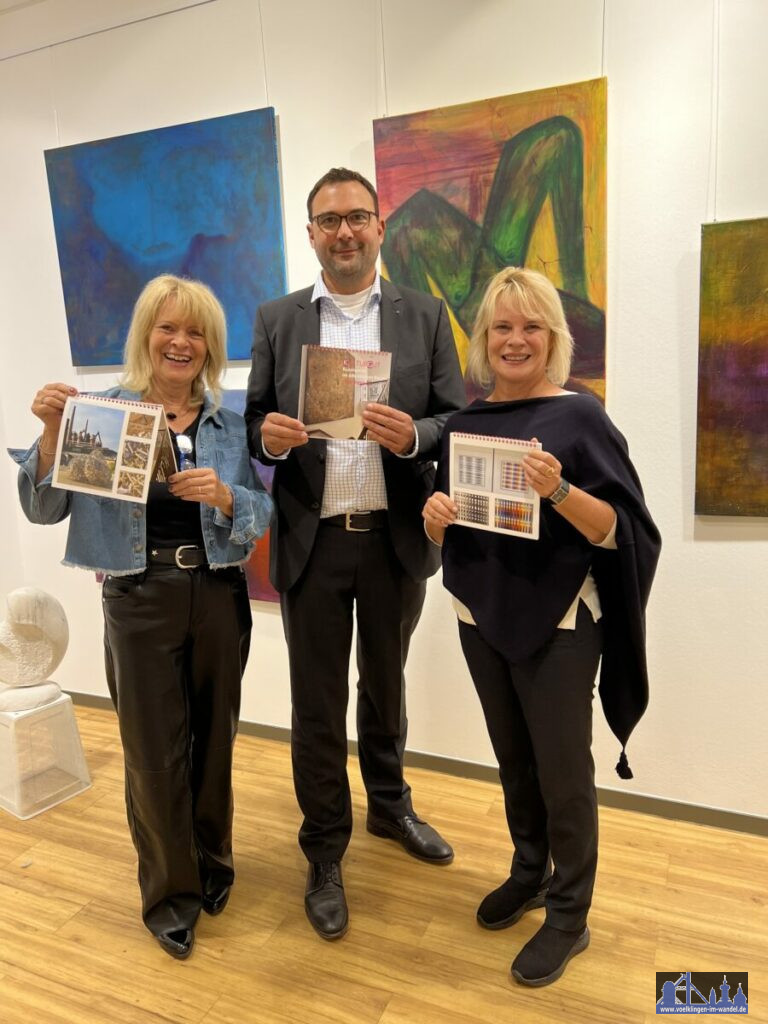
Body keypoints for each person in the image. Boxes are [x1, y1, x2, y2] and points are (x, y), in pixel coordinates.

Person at [10, 275, 272, 960]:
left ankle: (214, 864)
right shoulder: (100, 414)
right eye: (167, 328)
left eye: (195, 333)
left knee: (215, 742)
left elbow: (261, 513)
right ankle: (170, 893)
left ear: (210, 348)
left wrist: (225, 499)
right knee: (153, 758)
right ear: (146, 337)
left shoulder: (227, 422)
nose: (180, 342)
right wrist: (47, 432)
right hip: (138, 597)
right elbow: (42, 510)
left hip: (218, 595)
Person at [245, 167, 466, 940]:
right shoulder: (277, 320)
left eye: (358, 218)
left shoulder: (425, 316)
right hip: (312, 540)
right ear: (311, 234)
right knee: (316, 704)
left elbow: (455, 416)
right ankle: (324, 850)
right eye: (328, 220)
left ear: (380, 228)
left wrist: (418, 435)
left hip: (393, 538)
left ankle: (389, 808)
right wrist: (266, 435)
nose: (344, 231)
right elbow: (254, 425)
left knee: (386, 689)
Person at [423, 267, 660, 986]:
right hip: (479, 615)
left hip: (560, 622)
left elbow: (623, 531)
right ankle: (529, 868)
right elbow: (448, 521)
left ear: (552, 338)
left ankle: (569, 913)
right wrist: (433, 522)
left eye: (531, 327)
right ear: (484, 339)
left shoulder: (580, 417)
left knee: (563, 772)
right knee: (512, 758)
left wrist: (557, 489)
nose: (515, 339)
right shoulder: (463, 423)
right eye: (502, 326)